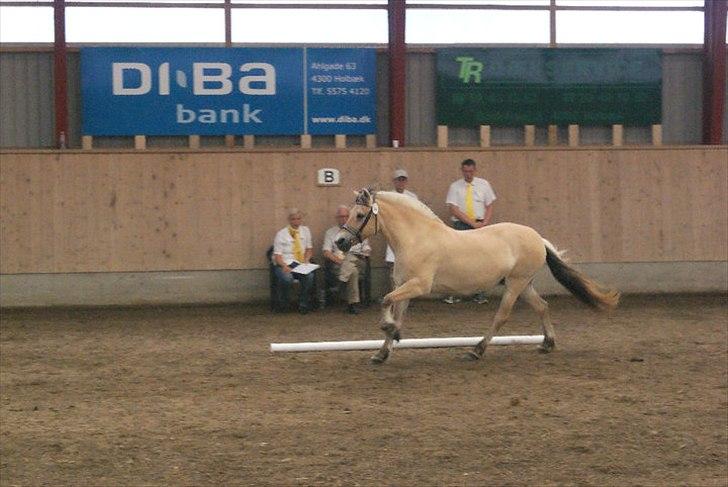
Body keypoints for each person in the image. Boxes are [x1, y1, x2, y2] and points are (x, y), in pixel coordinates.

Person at [444, 158, 496, 304]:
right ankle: (456, 292)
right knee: (459, 259)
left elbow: (490, 205)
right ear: (462, 171)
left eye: (471, 171)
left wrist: (484, 223)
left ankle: (479, 293)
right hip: (462, 225)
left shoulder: (484, 185)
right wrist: (472, 223)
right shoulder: (455, 187)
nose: (468, 174)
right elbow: (453, 209)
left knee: (481, 259)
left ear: (475, 170)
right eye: (465, 171)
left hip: (480, 224)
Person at [322, 205, 371, 314]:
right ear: (337, 218)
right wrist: (339, 261)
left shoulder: (358, 231)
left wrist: (362, 254)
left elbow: (367, 249)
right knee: (352, 271)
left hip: (358, 262)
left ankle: (341, 283)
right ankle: (352, 304)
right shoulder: (330, 232)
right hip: (338, 263)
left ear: (349, 217)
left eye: (345, 216)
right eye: (340, 216)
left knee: (350, 257)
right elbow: (326, 252)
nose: (343, 219)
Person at [272, 208, 315, 314]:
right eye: (293, 219)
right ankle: (284, 304)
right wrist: (283, 265)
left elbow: (309, 249)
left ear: (301, 220)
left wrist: (307, 259)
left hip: (299, 263)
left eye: (298, 219)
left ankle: (303, 304)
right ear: (289, 220)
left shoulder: (305, 231)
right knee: (287, 278)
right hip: (284, 264)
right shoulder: (281, 234)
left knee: (309, 277)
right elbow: (277, 256)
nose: (296, 221)